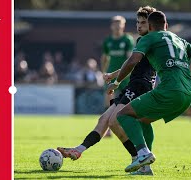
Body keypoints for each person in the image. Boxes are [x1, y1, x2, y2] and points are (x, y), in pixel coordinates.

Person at [107, 11, 191, 173]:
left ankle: (143, 153)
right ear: (166, 26)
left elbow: (133, 61)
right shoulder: (180, 40)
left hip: (169, 90)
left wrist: (116, 82)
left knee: (123, 115)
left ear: (150, 27)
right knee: (143, 120)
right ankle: (145, 168)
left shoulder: (149, 38)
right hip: (187, 94)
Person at [58, 6, 157, 175]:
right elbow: (129, 63)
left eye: (143, 23)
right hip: (133, 85)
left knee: (115, 120)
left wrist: (116, 79)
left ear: (152, 24)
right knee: (105, 119)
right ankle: (79, 149)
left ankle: (139, 158)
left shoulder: (145, 41)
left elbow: (132, 64)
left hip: (140, 86)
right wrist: (112, 75)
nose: (139, 26)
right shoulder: (146, 40)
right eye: (138, 22)